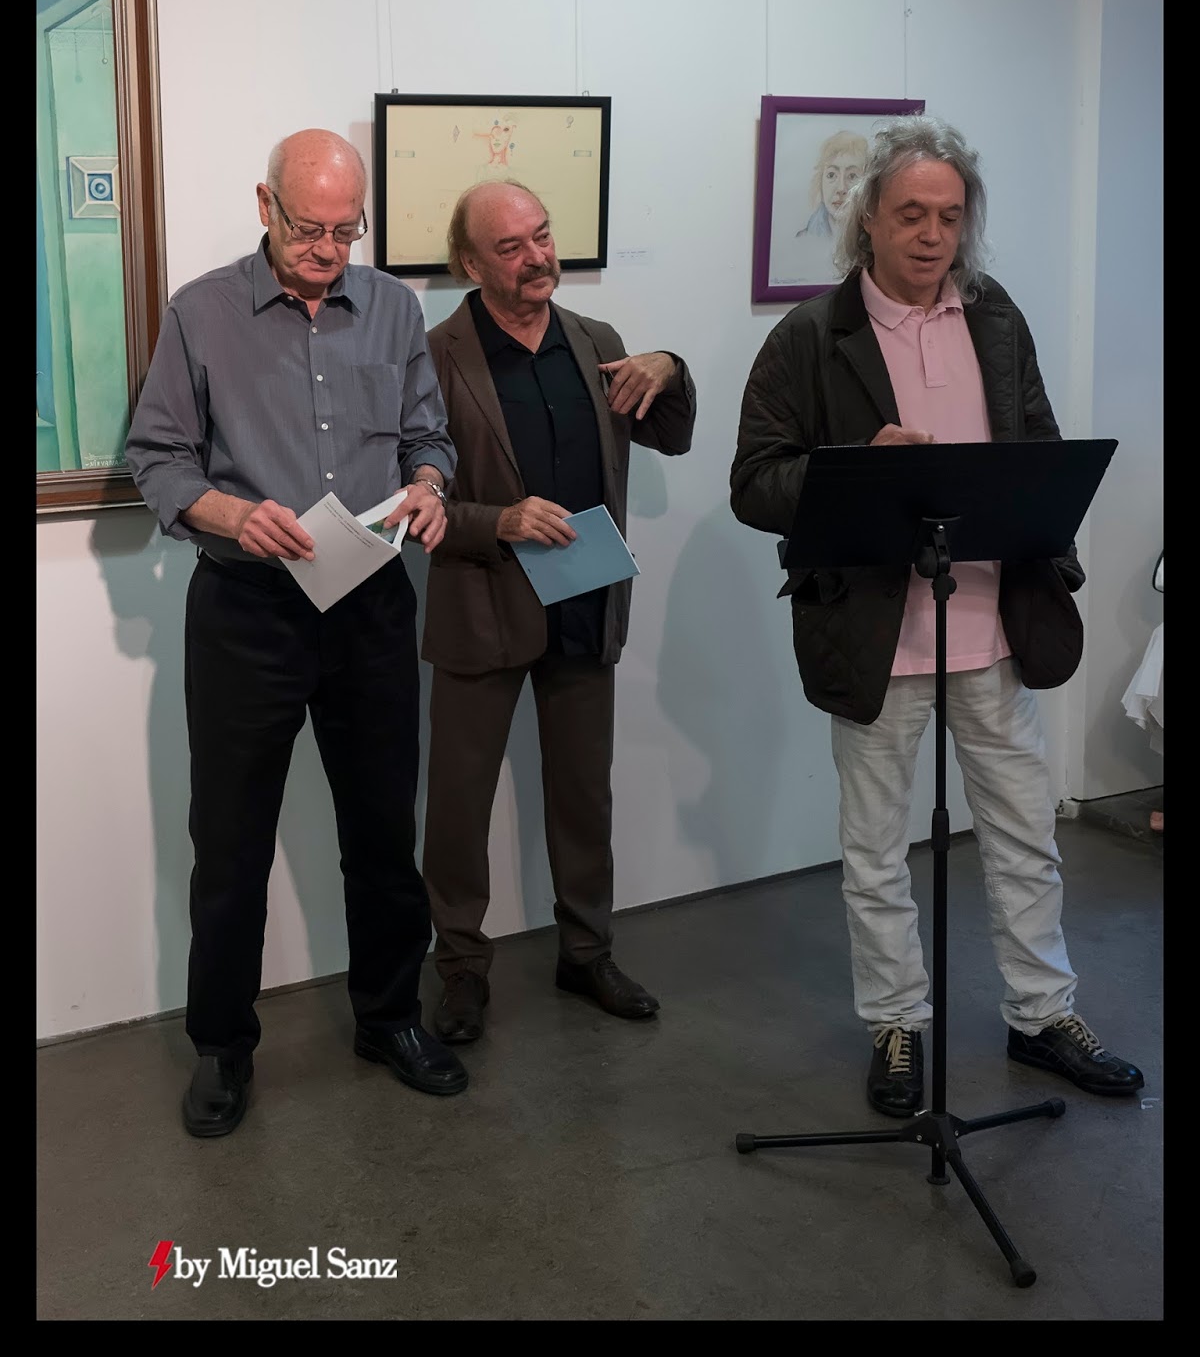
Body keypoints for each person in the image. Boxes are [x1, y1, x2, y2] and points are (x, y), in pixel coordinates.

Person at [730, 114, 1144, 1117]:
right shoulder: (809, 336)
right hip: (877, 635)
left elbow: (1038, 441)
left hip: (994, 624)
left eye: (949, 217)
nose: (931, 235)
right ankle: (897, 1025)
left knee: (1026, 836)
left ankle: (1042, 1014)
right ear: (868, 218)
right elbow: (754, 482)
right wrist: (851, 473)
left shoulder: (996, 317)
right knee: (876, 853)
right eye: (911, 214)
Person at [125, 128, 469, 1138]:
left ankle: (390, 1017)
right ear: (264, 204)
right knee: (231, 843)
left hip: (370, 596)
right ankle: (223, 1048)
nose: (327, 250)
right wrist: (233, 515)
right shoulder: (201, 313)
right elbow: (158, 457)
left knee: (382, 829)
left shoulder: (394, 307)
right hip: (249, 609)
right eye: (309, 228)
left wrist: (430, 484)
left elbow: (429, 435)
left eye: (345, 231)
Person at [420, 179, 697, 1044]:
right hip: (481, 603)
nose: (537, 257)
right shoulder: (435, 357)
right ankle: (461, 970)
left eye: (542, 236)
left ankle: (586, 951)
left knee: (583, 794)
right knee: (458, 803)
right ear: (470, 263)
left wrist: (671, 365)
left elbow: (671, 433)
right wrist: (497, 522)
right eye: (511, 247)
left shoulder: (597, 341)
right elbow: (408, 500)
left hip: (584, 593)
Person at [795, 130, 869, 238]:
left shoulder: (877, 241)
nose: (841, 188)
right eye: (831, 175)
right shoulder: (803, 239)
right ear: (820, 181)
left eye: (852, 176)